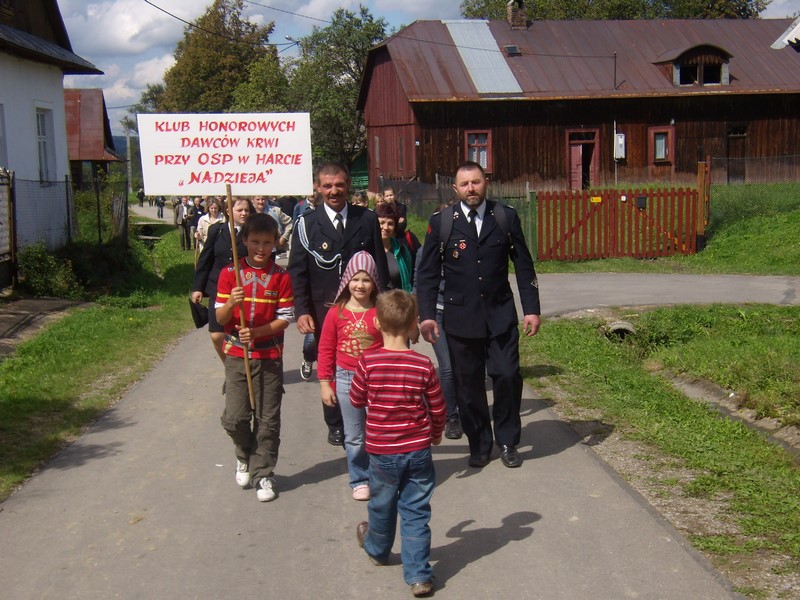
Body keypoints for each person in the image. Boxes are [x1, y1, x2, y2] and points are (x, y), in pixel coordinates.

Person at [415, 161, 541, 469]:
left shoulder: (505, 217)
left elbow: (524, 266)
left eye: (476, 182)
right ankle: (480, 443)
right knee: (468, 385)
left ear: (486, 183)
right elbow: (427, 274)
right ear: (455, 188)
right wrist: (426, 315)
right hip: (460, 318)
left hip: (500, 314)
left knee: (507, 376)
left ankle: (508, 441)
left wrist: (532, 309)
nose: (471, 188)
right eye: (465, 184)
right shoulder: (442, 222)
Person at [288, 161, 390, 447]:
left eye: (340, 185)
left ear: (348, 185)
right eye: (327, 186)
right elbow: (298, 271)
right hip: (324, 309)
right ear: (317, 187)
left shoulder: (366, 219)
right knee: (331, 364)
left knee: (366, 359)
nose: (334, 191)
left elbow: (379, 266)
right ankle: (335, 422)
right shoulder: (307, 224)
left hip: (364, 307)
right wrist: (302, 310)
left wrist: (384, 306)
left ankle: (367, 415)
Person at [350, 290, 445, 597]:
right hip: (418, 449)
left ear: (377, 323)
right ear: (414, 324)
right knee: (416, 510)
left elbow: (356, 399)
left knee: (382, 503)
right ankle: (418, 575)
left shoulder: (367, 362)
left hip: (382, 451)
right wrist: (436, 433)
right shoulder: (423, 365)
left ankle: (378, 550)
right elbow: (438, 406)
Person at [215, 212, 294, 502]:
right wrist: (231, 302)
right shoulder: (230, 273)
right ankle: (244, 454)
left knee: (267, 420)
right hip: (237, 355)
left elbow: (285, 318)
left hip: (269, 355)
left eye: (267, 242)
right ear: (244, 241)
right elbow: (220, 317)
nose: (261, 248)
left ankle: (263, 475)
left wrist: (257, 332)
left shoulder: (281, 276)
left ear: (276, 243)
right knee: (235, 418)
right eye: (255, 242)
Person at [317, 252, 382, 501]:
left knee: (378, 431)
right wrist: (325, 383)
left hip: (376, 378)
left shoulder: (380, 311)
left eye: (366, 279)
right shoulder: (336, 312)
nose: (360, 285)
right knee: (354, 435)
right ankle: (360, 479)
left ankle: (381, 475)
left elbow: (394, 340)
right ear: (347, 281)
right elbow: (325, 349)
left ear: (374, 282)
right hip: (346, 378)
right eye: (355, 279)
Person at [192, 197, 252, 365]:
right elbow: (205, 259)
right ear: (228, 211)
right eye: (239, 210)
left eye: (247, 210)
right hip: (217, 288)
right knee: (217, 335)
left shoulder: (252, 232)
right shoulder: (216, 230)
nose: (244, 213)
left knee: (239, 333)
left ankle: (245, 367)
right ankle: (230, 366)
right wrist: (197, 288)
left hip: (242, 289)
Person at [375, 202, 415, 293]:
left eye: (390, 224)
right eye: (381, 223)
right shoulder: (367, 249)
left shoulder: (402, 250)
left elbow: (408, 279)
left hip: (398, 300)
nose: (386, 227)